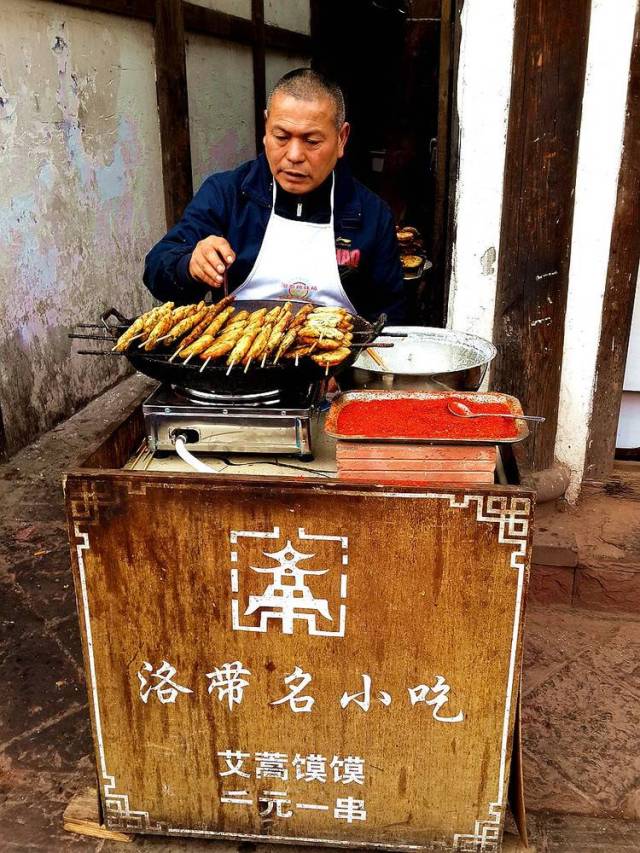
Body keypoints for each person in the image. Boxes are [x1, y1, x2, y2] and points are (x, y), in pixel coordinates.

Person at [144, 68, 406, 323]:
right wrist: (189, 265)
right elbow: (157, 268)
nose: (293, 155)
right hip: (238, 359)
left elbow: (390, 319)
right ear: (266, 128)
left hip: (335, 363)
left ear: (341, 139)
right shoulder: (227, 194)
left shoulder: (372, 215)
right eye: (281, 136)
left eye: (312, 141)